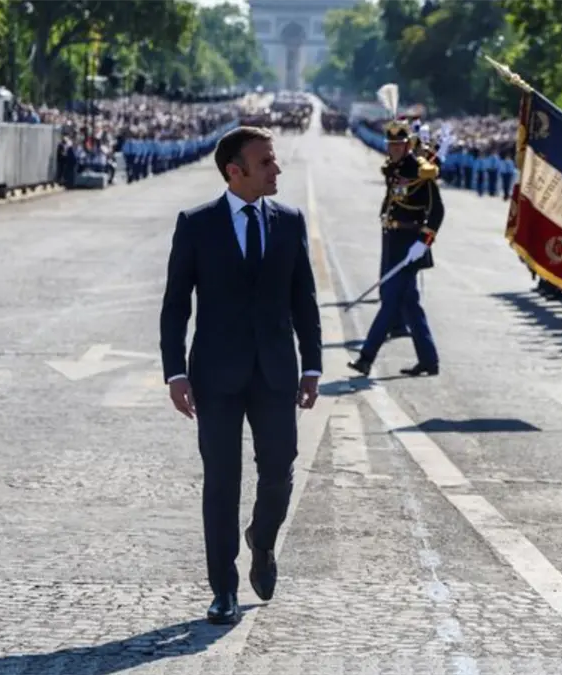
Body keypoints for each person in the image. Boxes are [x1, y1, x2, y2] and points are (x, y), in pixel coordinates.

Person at [159, 125, 323, 624]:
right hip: (215, 373)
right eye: (267, 162)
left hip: (275, 371)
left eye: (274, 161)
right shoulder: (196, 224)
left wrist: (312, 363)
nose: (277, 169)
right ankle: (223, 587)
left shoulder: (290, 222)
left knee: (280, 471)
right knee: (221, 480)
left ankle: (263, 538)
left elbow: (305, 300)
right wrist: (174, 373)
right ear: (236, 171)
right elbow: (174, 306)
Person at [348, 119, 444, 377]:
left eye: (399, 145)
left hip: (410, 243)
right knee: (410, 304)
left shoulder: (421, 171)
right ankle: (429, 360)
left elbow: (437, 211)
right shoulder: (393, 168)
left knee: (390, 301)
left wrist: (423, 243)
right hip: (392, 240)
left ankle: (366, 357)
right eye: (391, 145)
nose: (394, 149)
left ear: (407, 145)